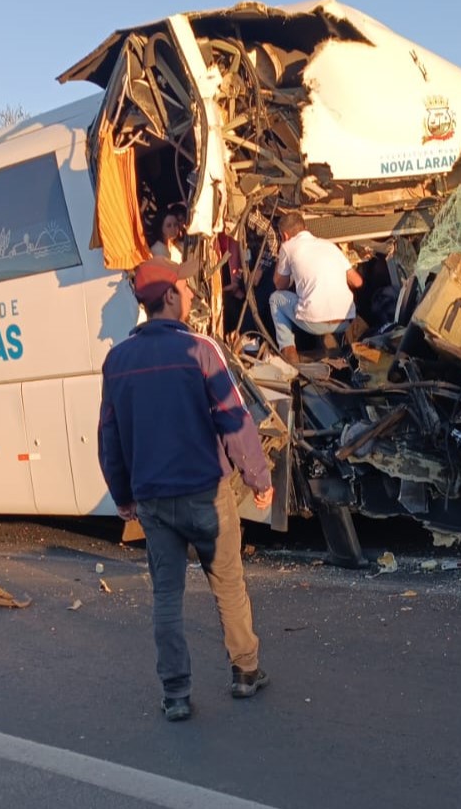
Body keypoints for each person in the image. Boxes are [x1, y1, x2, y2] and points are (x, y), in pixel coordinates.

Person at [98, 255, 274, 722]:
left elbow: (110, 439)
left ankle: (176, 693)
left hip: (154, 502)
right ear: (170, 296)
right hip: (206, 496)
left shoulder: (117, 361)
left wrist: (122, 497)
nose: (193, 294)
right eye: (186, 287)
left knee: (167, 596)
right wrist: (260, 478)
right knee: (229, 586)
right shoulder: (201, 350)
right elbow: (234, 419)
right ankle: (245, 672)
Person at [269, 211, 362, 364]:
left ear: (284, 236)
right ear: (305, 228)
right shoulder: (330, 246)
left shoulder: (287, 246)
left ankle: (289, 353)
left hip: (314, 323)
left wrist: (280, 260)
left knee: (275, 299)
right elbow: (357, 282)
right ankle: (332, 343)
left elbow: (279, 285)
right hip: (344, 322)